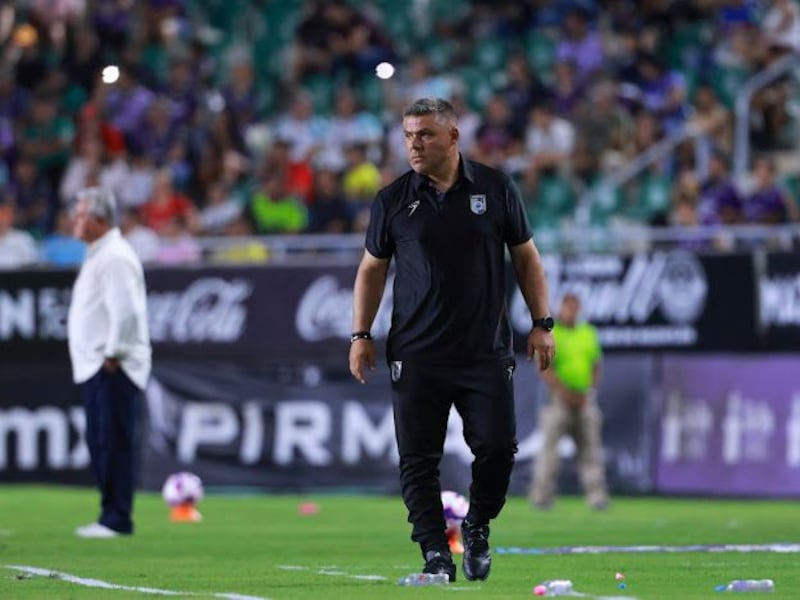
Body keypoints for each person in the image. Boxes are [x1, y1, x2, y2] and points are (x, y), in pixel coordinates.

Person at [349, 98, 555, 583]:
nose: (414, 145)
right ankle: (435, 555)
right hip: (417, 354)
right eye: (408, 136)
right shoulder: (393, 200)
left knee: (499, 449)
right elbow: (370, 270)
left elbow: (527, 259)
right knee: (417, 460)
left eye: (424, 135)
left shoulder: (496, 187)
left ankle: (478, 525)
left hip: (484, 350)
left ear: (453, 137)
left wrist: (543, 323)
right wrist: (361, 333)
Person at [67, 187, 151, 538]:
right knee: (102, 440)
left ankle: (117, 518)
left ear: (100, 219)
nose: (75, 219)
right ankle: (109, 515)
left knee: (113, 440)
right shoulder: (100, 253)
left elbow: (127, 310)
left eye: (81, 213)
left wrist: (113, 353)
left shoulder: (114, 255)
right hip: (97, 363)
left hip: (111, 364)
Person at [529, 292, 608, 511]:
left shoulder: (588, 333)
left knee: (591, 450)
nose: (571, 311)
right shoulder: (551, 333)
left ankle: (597, 496)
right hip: (558, 399)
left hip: (584, 398)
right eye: (568, 307)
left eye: (575, 307)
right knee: (550, 451)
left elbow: (595, 365)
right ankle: (542, 496)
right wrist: (564, 392)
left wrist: (589, 391)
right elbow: (544, 368)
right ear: (561, 308)